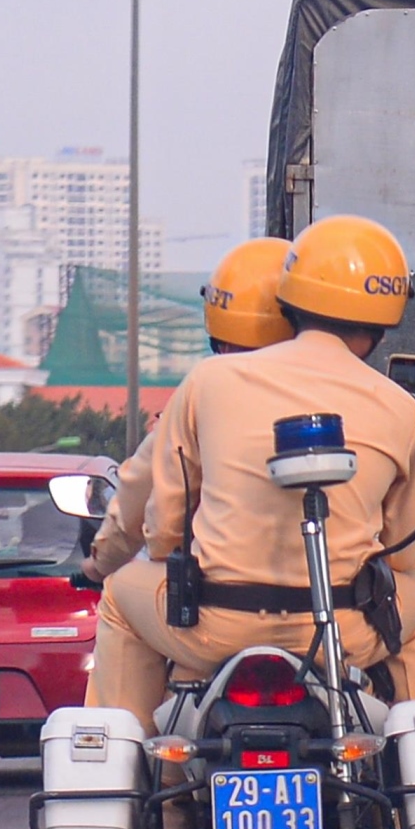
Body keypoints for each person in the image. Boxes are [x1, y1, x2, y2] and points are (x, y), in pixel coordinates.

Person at [86, 215, 415, 829]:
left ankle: (125, 810)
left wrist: (120, 558)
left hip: (213, 628)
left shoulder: (207, 385)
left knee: (123, 600)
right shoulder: (403, 409)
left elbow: (163, 525)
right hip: (341, 634)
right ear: (384, 313)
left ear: (290, 294)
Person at [83, 237, 296, 586]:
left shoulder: (205, 387)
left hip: (225, 604)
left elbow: (159, 516)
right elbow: (411, 545)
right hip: (338, 607)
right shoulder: (368, 392)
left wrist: (101, 563)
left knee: (120, 599)